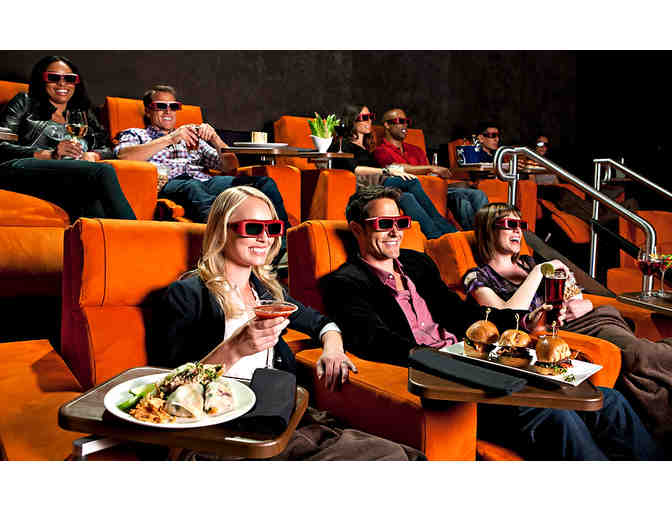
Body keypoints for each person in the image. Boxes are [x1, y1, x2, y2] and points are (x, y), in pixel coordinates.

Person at [321, 186, 663, 460]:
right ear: (357, 229)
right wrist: (446, 360)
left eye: (401, 222)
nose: (396, 232)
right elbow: (375, 340)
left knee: (608, 401)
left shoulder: (417, 263)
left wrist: (523, 320)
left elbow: (460, 313)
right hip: (443, 375)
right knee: (554, 415)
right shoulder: (344, 283)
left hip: (479, 357)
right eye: (384, 224)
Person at [149, 185, 425, 460]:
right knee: (391, 458)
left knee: (410, 456)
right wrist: (234, 349)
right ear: (222, 231)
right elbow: (166, 389)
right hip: (220, 434)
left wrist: (333, 348)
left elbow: (322, 323)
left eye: (272, 228)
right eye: (252, 228)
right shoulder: (187, 295)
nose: (265, 238)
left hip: (275, 418)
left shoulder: (269, 293)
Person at [464, 202, 672, 449]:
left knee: (641, 354)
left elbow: (576, 296)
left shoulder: (528, 262)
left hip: (589, 320)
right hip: (559, 334)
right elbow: (506, 314)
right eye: (510, 224)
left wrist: (580, 304)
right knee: (641, 359)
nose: (518, 230)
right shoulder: (478, 276)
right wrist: (538, 273)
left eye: (521, 224)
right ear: (489, 228)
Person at [114, 84, 291, 255]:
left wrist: (214, 138)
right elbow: (124, 156)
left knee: (264, 183)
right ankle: (224, 249)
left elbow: (231, 166)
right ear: (148, 110)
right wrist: (171, 138)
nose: (168, 111)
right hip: (169, 183)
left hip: (205, 182)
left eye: (173, 106)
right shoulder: (137, 134)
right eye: (161, 106)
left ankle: (285, 246)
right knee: (193, 187)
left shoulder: (191, 136)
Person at [0, 55, 136, 221]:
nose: (62, 84)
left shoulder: (82, 113)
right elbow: (1, 146)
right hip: (20, 169)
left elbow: (108, 148)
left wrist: (94, 155)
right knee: (103, 170)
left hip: (64, 175)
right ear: (41, 80)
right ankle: (140, 234)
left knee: (92, 203)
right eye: (53, 78)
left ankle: (116, 237)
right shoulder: (24, 101)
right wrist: (49, 154)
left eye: (69, 79)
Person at [371, 107, 488, 231]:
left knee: (477, 194)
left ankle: (485, 234)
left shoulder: (416, 150)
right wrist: (432, 168)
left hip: (434, 189)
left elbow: (431, 177)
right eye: (400, 121)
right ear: (387, 125)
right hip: (415, 191)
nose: (405, 125)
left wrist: (453, 183)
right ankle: (471, 235)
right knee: (463, 200)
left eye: (406, 122)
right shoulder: (381, 151)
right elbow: (396, 168)